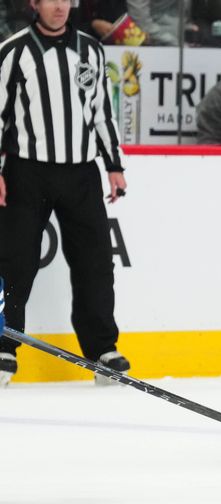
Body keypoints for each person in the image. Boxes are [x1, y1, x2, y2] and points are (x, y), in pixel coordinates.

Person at [0, 0, 131, 387]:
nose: (59, 6)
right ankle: (5, 344)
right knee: (14, 260)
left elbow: (101, 112)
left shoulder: (91, 49)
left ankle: (102, 349)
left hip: (80, 173)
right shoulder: (14, 51)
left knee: (94, 262)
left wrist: (114, 166)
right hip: (27, 170)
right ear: (33, 4)